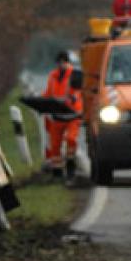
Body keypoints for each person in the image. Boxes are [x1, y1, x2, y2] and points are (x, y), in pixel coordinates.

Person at [43, 51, 84, 179]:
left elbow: (79, 92)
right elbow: (49, 93)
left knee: (71, 138)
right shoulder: (53, 76)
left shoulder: (75, 75)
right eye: (59, 62)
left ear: (68, 62)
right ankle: (57, 172)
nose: (61, 65)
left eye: (64, 62)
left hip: (72, 113)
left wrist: (73, 99)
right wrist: (41, 102)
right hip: (57, 113)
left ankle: (71, 163)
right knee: (55, 144)